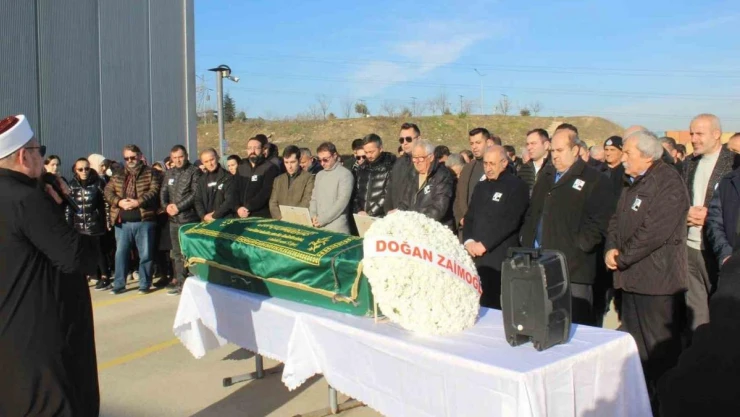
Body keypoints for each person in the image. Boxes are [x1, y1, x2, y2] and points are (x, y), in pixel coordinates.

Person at [0, 114, 99, 416]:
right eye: (38, 151)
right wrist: (63, 208)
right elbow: (75, 256)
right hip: (40, 333)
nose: (42, 159)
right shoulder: (26, 199)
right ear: (23, 156)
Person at [605, 130, 689, 411]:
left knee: (659, 354)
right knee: (635, 350)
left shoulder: (668, 182)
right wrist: (610, 248)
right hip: (631, 281)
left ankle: (665, 406)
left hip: (656, 283)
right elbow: (616, 219)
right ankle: (641, 404)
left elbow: (653, 232)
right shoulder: (631, 181)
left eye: (628, 153)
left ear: (647, 156)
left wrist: (622, 257)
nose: (623, 158)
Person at [520, 128, 615, 325]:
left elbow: (600, 221)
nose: (555, 156)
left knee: (575, 324)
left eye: (560, 150)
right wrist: (526, 238)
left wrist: (581, 245)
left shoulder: (593, 179)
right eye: (552, 151)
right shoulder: (546, 176)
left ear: (575, 150)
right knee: (543, 322)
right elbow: (532, 212)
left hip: (574, 269)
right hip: (539, 262)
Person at [682, 113, 735, 333]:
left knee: (722, 313)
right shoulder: (688, 163)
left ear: (716, 134)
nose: (693, 139)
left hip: (720, 251)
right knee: (696, 313)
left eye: (699, 134)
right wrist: (685, 214)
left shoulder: (733, 164)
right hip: (691, 248)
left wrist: (714, 217)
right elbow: (678, 200)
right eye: (691, 133)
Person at [463, 145, 529, 309]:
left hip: (498, 256)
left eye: (492, 163)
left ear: (504, 163)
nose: (488, 168)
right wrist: (468, 241)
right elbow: (470, 217)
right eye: (485, 163)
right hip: (475, 254)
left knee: (495, 304)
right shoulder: (481, 186)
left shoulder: (516, 186)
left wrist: (485, 244)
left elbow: (510, 221)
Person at [104, 144, 161, 295]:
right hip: (122, 222)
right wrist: (119, 202)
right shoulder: (118, 174)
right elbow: (108, 191)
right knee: (120, 254)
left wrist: (138, 202)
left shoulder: (151, 172)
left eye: (132, 157)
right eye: (126, 158)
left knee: (145, 254)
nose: (129, 160)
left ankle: (144, 283)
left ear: (140, 156)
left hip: (144, 220)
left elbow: (154, 190)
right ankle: (119, 284)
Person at [160, 145, 201, 295]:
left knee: (190, 254)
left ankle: (195, 283)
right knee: (177, 254)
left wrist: (178, 207)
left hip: (189, 219)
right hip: (173, 220)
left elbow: (194, 194)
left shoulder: (194, 172)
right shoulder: (169, 173)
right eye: (175, 158)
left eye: (180, 157)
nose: (178, 160)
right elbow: (163, 192)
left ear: (186, 156)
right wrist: (166, 207)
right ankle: (181, 282)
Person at [67, 157, 111, 289]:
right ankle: (92, 275)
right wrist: (69, 224)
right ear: (76, 170)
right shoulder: (72, 184)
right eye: (80, 169)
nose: (84, 171)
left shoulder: (98, 183)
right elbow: (69, 206)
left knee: (99, 251)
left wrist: (107, 220)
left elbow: (106, 203)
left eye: (86, 168)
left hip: (95, 223)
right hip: (79, 224)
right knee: (84, 251)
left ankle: (105, 276)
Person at [395, 140, 454, 227]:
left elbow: (439, 208)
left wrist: (416, 220)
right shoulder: (412, 174)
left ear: (431, 157)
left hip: (435, 227)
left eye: (420, 158)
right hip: (413, 225)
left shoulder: (442, 175)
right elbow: (405, 202)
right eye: (414, 158)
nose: (417, 162)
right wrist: (397, 214)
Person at [310, 142, 354, 233]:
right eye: (319, 160)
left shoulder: (345, 174)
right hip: (317, 226)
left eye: (325, 160)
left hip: (337, 228)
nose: (322, 163)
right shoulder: (319, 175)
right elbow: (314, 198)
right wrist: (313, 215)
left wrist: (322, 219)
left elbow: (341, 203)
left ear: (334, 155)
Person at [453, 128, 489, 231]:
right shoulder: (467, 168)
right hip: (466, 228)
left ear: (488, 142)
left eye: (478, 142)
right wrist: (460, 218)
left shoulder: (497, 168)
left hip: (486, 228)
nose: (474, 147)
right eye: (472, 143)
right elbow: (458, 197)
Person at [236, 135, 280, 218]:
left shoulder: (270, 168)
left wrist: (248, 207)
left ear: (263, 150)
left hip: (260, 214)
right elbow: (234, 189)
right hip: (240, 213)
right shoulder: (242, 166)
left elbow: (266, 192)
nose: (252, 151)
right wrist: (237, 208)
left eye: (256, 148)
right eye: (249, 148)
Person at [353, 133, 396, 217]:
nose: (369, 155)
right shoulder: (361, 168)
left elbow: (387, 194)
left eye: (371, 152)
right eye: (366, 152)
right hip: (362, 216)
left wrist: (370, 213)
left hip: (381, 217)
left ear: (380, 148)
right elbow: (356, 193)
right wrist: (359, 210)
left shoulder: (390, 167)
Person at [269, 145, 315, 220]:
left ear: (299, 161)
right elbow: (273, 203)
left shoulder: (309, 178)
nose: (289, 166)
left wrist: (292, 217)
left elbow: (307, 201)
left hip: (299, 220)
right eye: (286, 162)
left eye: (292, 162)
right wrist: (280, 218)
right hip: (281, 221)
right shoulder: (278, 180)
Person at [194, 148, 237, 222]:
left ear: (217, 157)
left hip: (224, 220)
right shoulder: (202, 180)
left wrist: (215, 215)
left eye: (212, 160)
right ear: (202, 163)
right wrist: (203, 216)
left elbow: (229, 200)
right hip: (207, 221)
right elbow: (198, 200)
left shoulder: (228, 177)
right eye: (206, 161)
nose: (210, 164)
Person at [385, 122, 420, 212]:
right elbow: (390, 191)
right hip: (396, 215)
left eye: (408, 139)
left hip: (414, 215)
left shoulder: (426, 163)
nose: (405, 143)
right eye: (401, 140)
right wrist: (388, 211)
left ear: (418, 139)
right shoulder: (398, 163)